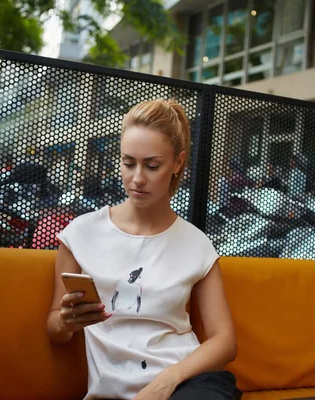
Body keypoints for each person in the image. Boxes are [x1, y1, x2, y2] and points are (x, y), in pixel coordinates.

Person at [46, 99, 241, 400]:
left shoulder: (196, 243)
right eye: (128, 163)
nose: (137, 178)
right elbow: (54, 331)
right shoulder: (80, 234)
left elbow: (225, 340)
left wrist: (168, 379)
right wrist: (65, 321)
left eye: (152, 166)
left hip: (186, 386)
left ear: (177, 163)